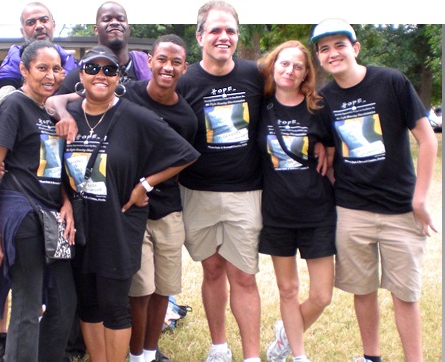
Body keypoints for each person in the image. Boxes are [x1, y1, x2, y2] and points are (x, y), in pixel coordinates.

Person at [311, 18, 438, 362]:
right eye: (324, 48)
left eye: (339, 44)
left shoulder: (391, 82)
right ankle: (371, 357)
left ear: (355, 48)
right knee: (362, 291)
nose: (332, 53)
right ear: (320, 58)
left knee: (405, 295)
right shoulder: (323, 100)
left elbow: (427, 141)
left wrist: (420, 198)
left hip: (401, 210)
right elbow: (329, 150)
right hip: (352, 211)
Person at [62, 45, 198, 362]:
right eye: (92, 68)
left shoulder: (135, 116)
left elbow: (185, 154)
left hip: (119, 225)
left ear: (118, 77)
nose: (100, 75)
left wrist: (146, 183)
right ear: (80, 75)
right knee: (89, 303)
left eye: (109, 70)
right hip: (80, 226)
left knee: (114, 304)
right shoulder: (68, 118)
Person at [175, 2, 264, 361]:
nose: (222, 37)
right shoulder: (184, 82)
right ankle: (218, 347)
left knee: (243, 276)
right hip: (197, 192)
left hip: (246, 191)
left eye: (229, 30)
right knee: (212, 271)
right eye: (214, 30)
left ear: (237, 36)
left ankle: (252, 355)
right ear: (199, 37)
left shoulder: (257, 76)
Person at [0, 39, 76, 362]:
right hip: (22, 215)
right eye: (42, 68)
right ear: (23, 70)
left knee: (64, 302)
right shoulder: (15, 105)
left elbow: (50, 167)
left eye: (56, 69)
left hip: (51, 216)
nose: (51, 75)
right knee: (26, 304)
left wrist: (65, 200)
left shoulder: (48, 111)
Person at [257, 40, 335, 362]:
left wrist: (323, 151)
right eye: (284, 63)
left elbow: (329, 152)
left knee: (322, 295)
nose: (289, 70)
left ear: (306, 74)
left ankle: (285, 333)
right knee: (288, 290)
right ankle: (297, 354)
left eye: (298, 66)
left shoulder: (318, 108)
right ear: (274, 66)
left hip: (317, 211)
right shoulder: (259, 108)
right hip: (277, 213)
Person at [121, 34, 197, 362]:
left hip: (167, 210)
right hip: (131, 210)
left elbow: (184, 158)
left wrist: (147, 183)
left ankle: (150, 353)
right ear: (149, 61)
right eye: (162, 59)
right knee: (141, 290)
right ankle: (135, 353)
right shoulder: (127, 95)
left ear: (185, 68)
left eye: (176, 62)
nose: (168, 67)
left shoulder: (186, 118)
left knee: (164, 288)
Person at [58, 1, 151, 94]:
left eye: (121, 19)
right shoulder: (81, 73)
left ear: (129, 29)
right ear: (96, 30)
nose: (115, 23)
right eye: (107, 19)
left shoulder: (147, 69)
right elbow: (55, 103)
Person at [0, 2, 77, 90]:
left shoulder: (69, 61)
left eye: (44, 20)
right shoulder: (12, 64)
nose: (39, 26)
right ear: (22, 31)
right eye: (31, 23)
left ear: (53, 25)